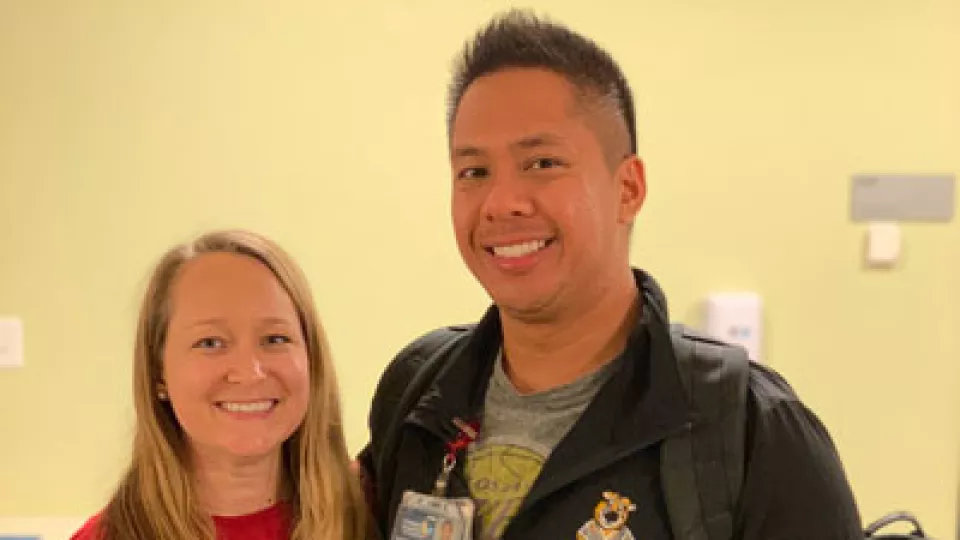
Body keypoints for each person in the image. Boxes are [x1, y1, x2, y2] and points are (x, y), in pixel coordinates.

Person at [358, 9, 863, 540]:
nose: (500, 202)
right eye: (473, 172)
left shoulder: (751, 431)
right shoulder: (419, 392)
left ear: (628, 189)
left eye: (542, 163)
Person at [71, 230, 368, 540]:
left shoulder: (380, 510)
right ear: (158, 372)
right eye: (210, 342)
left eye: (275, 339)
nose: (250, 372)